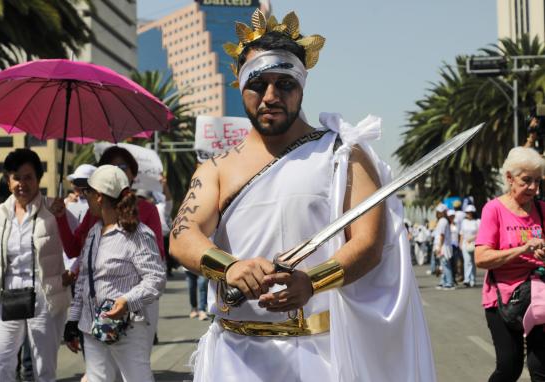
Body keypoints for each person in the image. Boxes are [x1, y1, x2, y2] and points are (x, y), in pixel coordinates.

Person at [169, 9, 435, 382]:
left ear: (303, 86)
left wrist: (312, 282)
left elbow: (370, 243)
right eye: (259, 84)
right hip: (234, 357)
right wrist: (230, 267)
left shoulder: (343, 153)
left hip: (319, 354)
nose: (271, 96)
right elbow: (183, 236)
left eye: (285, 84)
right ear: (240, 85)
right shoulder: (216, 168)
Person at [63, 165, 166, 382]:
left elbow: (156, 279)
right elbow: (83, 280)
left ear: (99, 196)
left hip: (127, 327)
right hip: (92, 328)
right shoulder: (93, 232)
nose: (84, 196)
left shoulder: (137, 234)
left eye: (87, 192)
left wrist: (126, 301)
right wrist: (73, 321)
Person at [0, 148, 71, 382]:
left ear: (38, 179)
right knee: (2, 360)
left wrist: (69, 273)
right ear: (8, 180)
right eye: (16, 177)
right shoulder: (0, 213)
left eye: (28, 177)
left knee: (44, 367)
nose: (22, 183)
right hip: (8, 292)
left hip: (45, 293)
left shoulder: (54, 209)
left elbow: (75, 244)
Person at [476, 146, 545, 381]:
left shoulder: (542, 209)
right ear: (509, 178)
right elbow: (481, 258)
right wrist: (522, 250)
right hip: (503, 299)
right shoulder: (494, 209)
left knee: (541, 366)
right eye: (527, 180)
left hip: (539, 296)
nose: (534, 188)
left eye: (538, 181)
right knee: (509, 367)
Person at [434, 204, 454, 290]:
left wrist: (439, 247)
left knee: (445, 265)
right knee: (443, 265)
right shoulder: (443, 220)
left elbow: (442, 235)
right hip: (443, 245)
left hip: (443, 246)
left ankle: (449, 283)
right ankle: (444, 281)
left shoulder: (442, 221)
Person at [459, 205, 479, 288]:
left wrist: (472, 238)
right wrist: (460, 243)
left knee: (473, 263)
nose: (467, 214)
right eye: (466, 212)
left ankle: (472, 280)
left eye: (469, 212)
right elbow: (461, 233)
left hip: (474, 244)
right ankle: (467, 279)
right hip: (465, 244)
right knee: (467, 262)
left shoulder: (477, 221)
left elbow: (481, 232)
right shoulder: (464, 222)